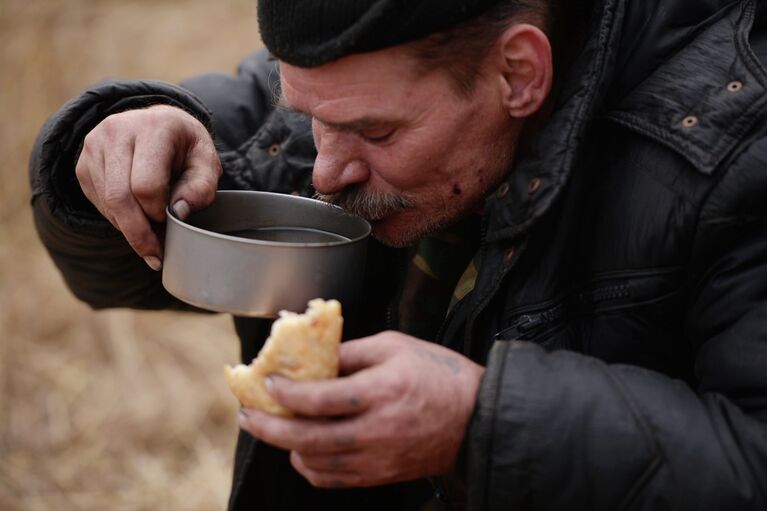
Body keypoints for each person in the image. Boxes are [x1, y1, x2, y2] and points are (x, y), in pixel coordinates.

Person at [29, 0, 767, 509]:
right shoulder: (359, 69)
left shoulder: (736, 151)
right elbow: (116, 275)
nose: (324, 172)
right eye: (307, 120)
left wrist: (482, 424)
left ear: (518, 72)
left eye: (376, 136)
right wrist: (109, 156)